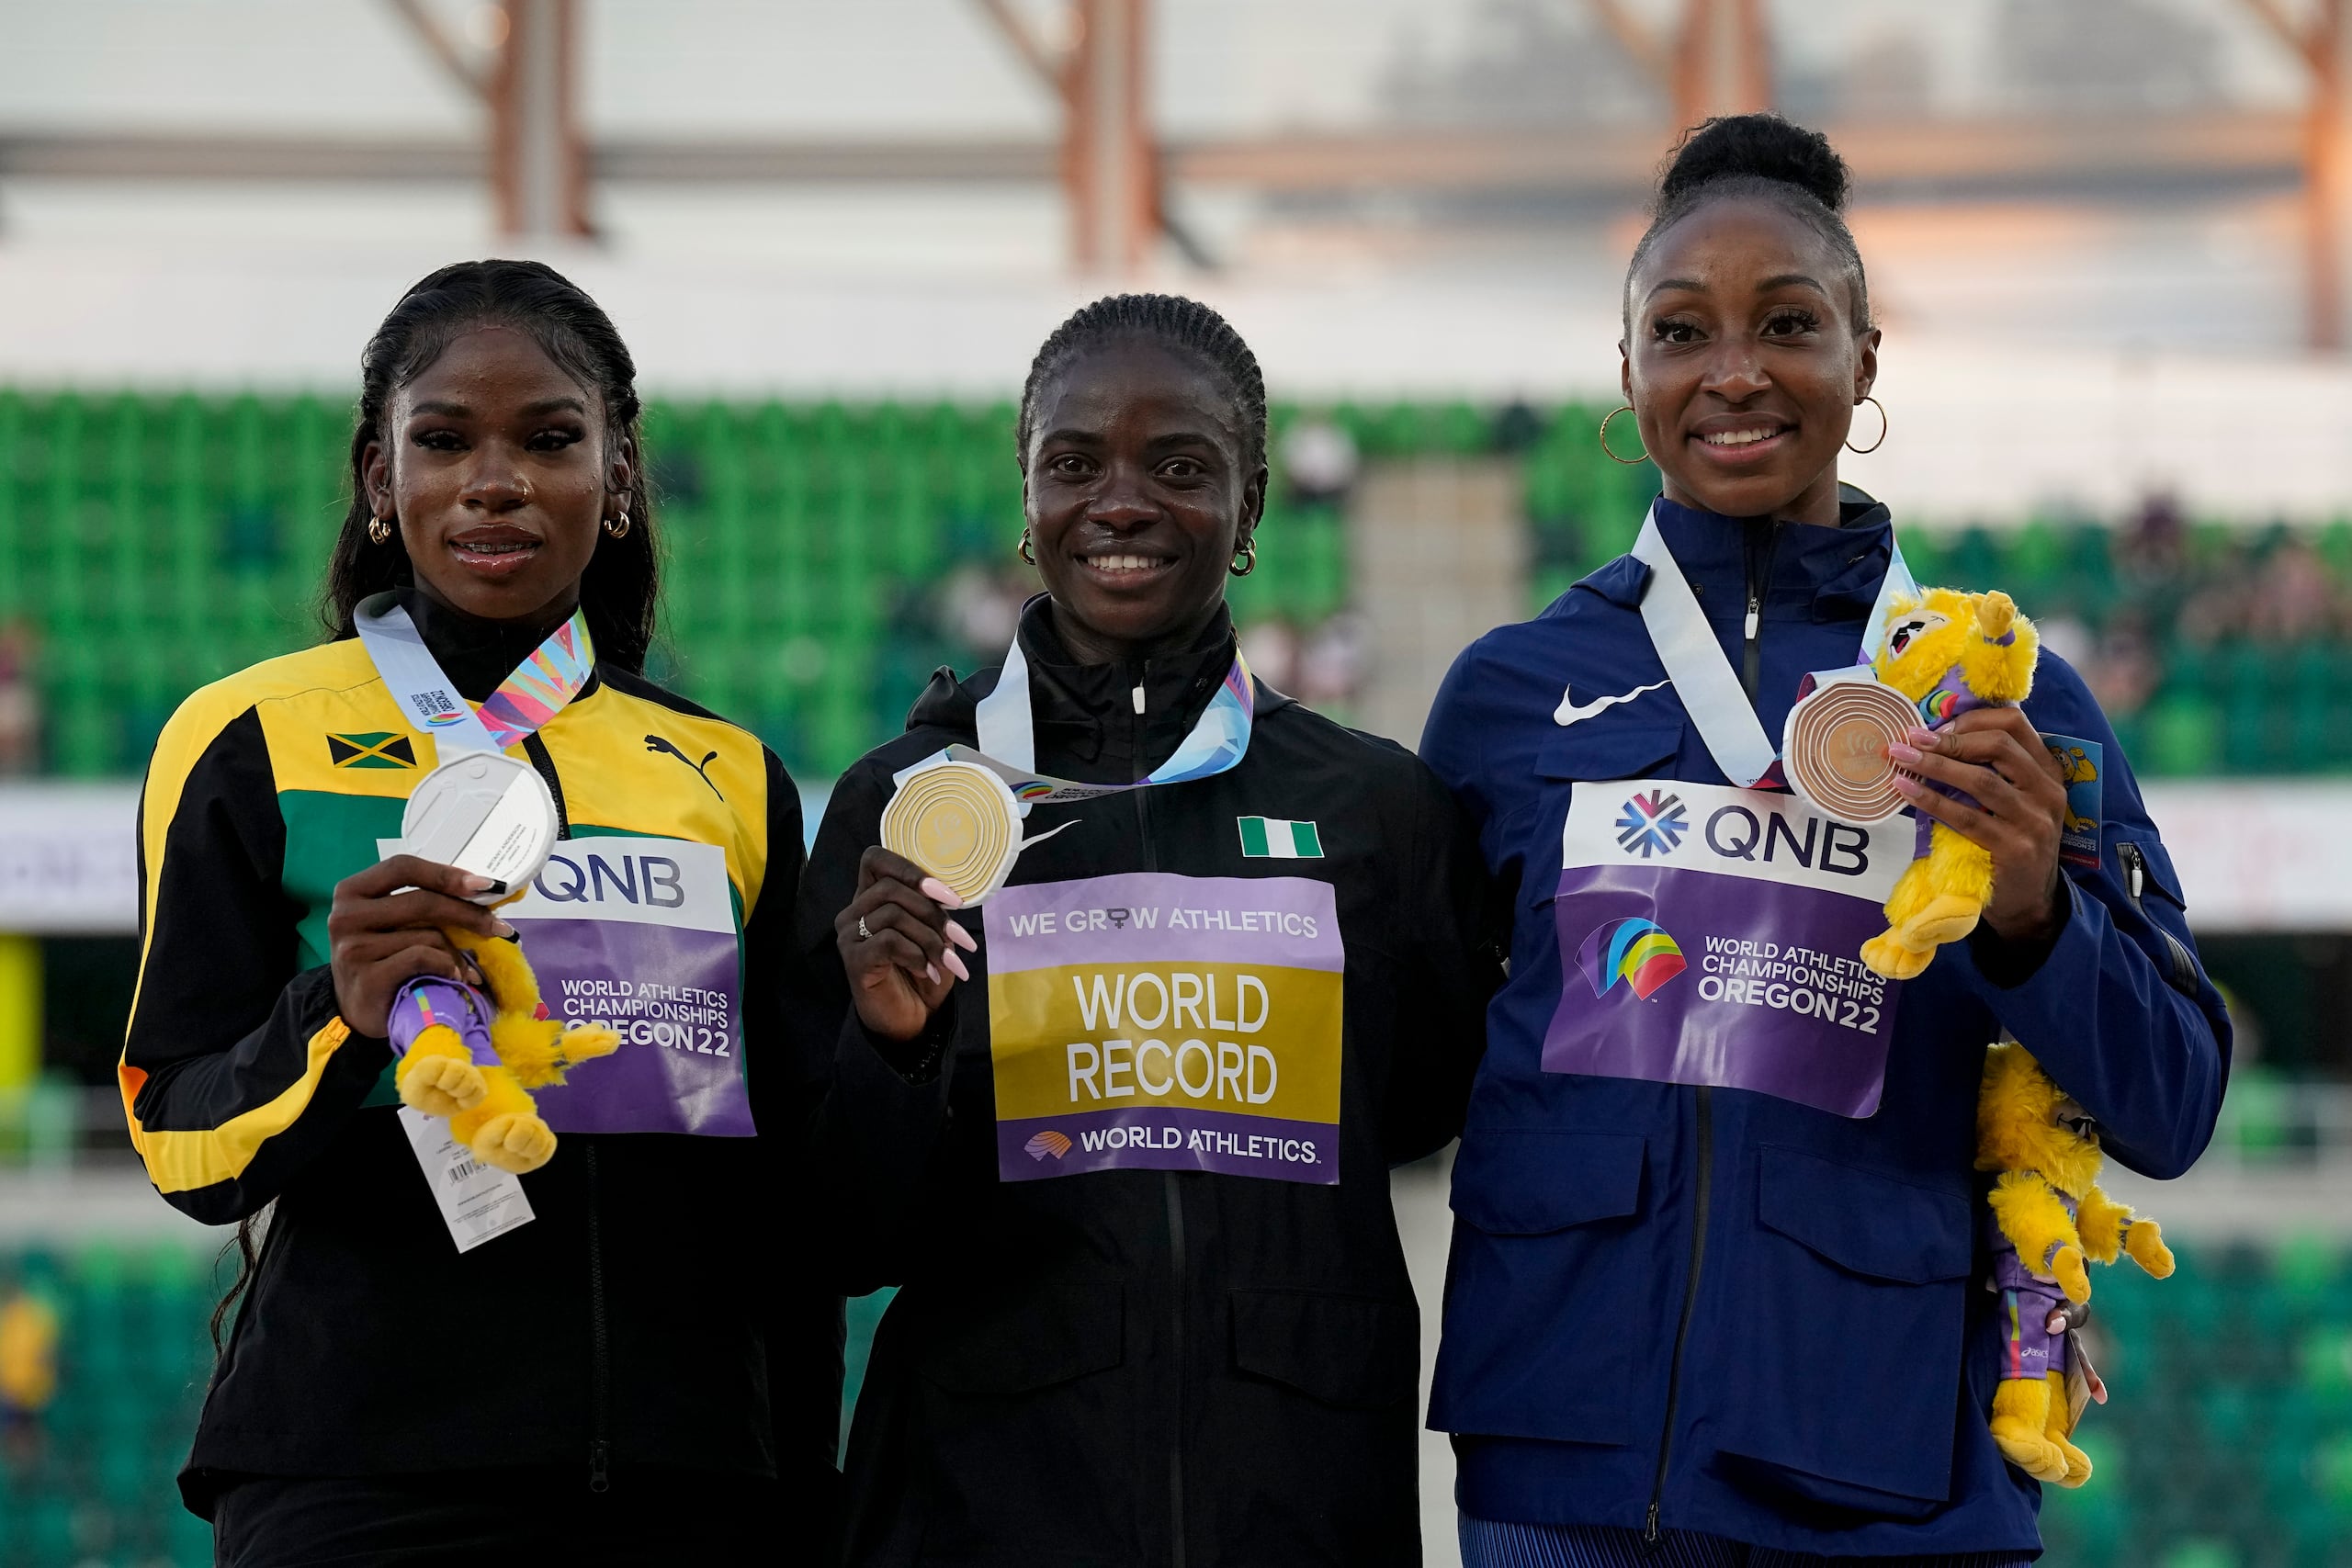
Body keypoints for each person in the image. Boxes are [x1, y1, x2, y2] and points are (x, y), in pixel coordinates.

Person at [1419, 117, 2230, 1566]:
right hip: (1567, 1472)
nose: (1733, 372)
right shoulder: (1506, 694)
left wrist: (2037, 909)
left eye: (1788, 324)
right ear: (1629, 374)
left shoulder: (2007, 698)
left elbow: (2173, 1101)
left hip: (1889, 1473)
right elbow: (1418, 1064)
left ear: (1865, 358)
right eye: (1682, 332)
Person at [120, 260, 837, 1562]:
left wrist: (793, 1483)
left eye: (549, 440)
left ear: (618, 478)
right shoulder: (248, 738)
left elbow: (781, 1187)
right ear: (377, 477)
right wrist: (337, 1017)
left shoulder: (726, 773)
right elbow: (180, 1137)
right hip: (356, 1482)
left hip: (690, 1485)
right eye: (443, 440)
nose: (492, 480)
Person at [790, 293, 1501, 1565]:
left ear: (1253, 505)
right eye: (1074, 465)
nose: (1120, 503)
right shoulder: (905, 807)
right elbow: (838, 1237)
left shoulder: (1378, 808)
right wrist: (893, 1053)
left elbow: (1415, 1107)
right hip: (982, 1504)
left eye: (1179, 466)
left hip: (1297, 1498)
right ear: (1026, 497)